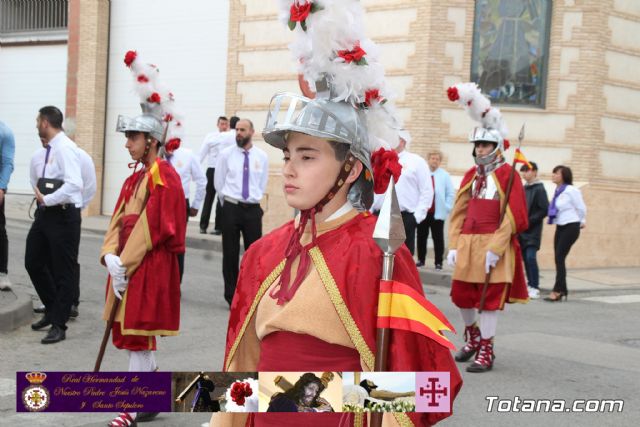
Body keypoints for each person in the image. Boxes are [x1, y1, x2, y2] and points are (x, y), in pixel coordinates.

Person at [211, 3, 461, 426]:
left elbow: (430, 390)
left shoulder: (378, 252)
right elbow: (243, 370)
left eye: (307, 156)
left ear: (352, 169)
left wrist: (312, 397)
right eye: (289, 154)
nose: (289, 167)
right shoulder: (261, 253)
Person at [100, 50, 186, 427]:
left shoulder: (163, 175)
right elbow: (118, 221)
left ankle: (131, 408)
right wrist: (108, 257)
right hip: (128, 268)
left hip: (147, 267)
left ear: (151, 140)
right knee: (134, 338)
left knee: (138, 338)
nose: (127, 143)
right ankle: (149, 396)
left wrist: (126, 262)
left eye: (133, 137)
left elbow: (157, 225)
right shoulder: (134, 178)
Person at [446, 82, 529, 373]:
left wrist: (496, 247)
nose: (481, 149)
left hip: (495, 244)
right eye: (478, 145)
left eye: (486, 145)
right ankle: (473, 337)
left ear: (496, 146)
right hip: (468, 243)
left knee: (489, 301)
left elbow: (513, 216)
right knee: (461, 295)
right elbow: (458, 212)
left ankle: (487, 350)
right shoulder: (471, 174)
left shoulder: (508, 175)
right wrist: (454, 244)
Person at [26, 106, 83, 345]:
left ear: (46, 123)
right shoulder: (48, 150)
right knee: (33, 261)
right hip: (45, 214)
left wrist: (47, 199)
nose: (37, 123)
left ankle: (59, 324)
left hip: (63, 215)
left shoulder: (66, 148)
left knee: (63, 271)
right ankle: (51, 309)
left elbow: (75, 184)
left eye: (39, 120)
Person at [32, 146, 96, 318]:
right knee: (45, 258)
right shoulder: (41, 156)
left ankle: (71, 303)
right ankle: (51, 302)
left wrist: (77, 207)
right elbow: (35, 180)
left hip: (67, 214)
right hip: (45, 212)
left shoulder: (81, 157)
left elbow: (90, 186)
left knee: (67, 261)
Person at [214, 118, 268, 306]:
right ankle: (232, 297)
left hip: (252, 210)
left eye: (242, 130)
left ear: (252, 132)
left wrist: (254, 200)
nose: (238, 133)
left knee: (254, 254)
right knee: (230, 253)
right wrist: (227, 204)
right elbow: (219, 182)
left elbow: (262, 182)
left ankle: (251, 295)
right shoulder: (225, 155)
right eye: (237, 129)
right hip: (231, 207)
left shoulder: (261, 157)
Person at [371, 129, 432, 256]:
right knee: (375, 257)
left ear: (402, 141)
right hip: (377, 216)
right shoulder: (378, 158)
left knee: (402, 260)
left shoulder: (416, 161)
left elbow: (426, 191)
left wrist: (416, 218)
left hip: (405, 218)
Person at [165, 143, 207, 282]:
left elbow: (201, 180)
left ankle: (176, 284)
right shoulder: (154, 153)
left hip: (180, 203)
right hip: (157, 201)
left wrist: (196, 205)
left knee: (177, 245)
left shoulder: (187, 154)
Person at [544, 165, 586, 302]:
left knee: (559, 257)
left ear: (564, 176)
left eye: (556, 173)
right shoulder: (558, 191)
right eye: (553, 173)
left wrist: (582, 221)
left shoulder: (571, 190)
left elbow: (581, 207)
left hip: (571, 226)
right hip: (561, 226)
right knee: (558, 258)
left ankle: (557, 290)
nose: (553, 175)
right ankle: (563, 290)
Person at [199, 116, 239, 235]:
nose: (224, 126)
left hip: (225, 170)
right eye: (222, 124)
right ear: (218, 124)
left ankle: (218, 227)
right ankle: (203, 225)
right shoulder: (211, 136)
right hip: (212, 168)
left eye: (226, 124)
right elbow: (203, 151)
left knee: (221, 198)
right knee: (209, 197)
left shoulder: (229, 136)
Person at [416, 150, 455, 270]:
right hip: (424, 212)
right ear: (428, 160)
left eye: (437, 159)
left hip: (438, 213)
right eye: (433, 158)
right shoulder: (423, 174)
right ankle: (421, 260)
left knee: (438, 238)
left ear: (440, 161)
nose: (435, 161)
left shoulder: (444, 175)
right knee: (421, 237)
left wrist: (447, 207)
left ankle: (438, 262)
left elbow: (450, 193)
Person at [519, 161, 548, 299]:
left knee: (531, 257)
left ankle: (535, 286)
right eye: (523, 171)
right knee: (524, 258)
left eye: (527, 170)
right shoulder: (523, 188)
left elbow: (544, 210)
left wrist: (529, 222)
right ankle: (529, 285)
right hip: (522, 230)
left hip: (533, 231)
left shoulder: (540, 188)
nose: (525, 173)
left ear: (535, 172)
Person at [267, 373, 333, 413]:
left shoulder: (304, 408)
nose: (314, 394)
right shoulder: (282, 400)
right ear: (301, 386)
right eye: (311, 388)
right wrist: (317, 410)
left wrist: (329, 409)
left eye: (316, 391)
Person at [0, 121, 15, 291]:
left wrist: (2, 187)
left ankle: (2, 273)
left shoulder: (4, 132)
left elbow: (7, 163)